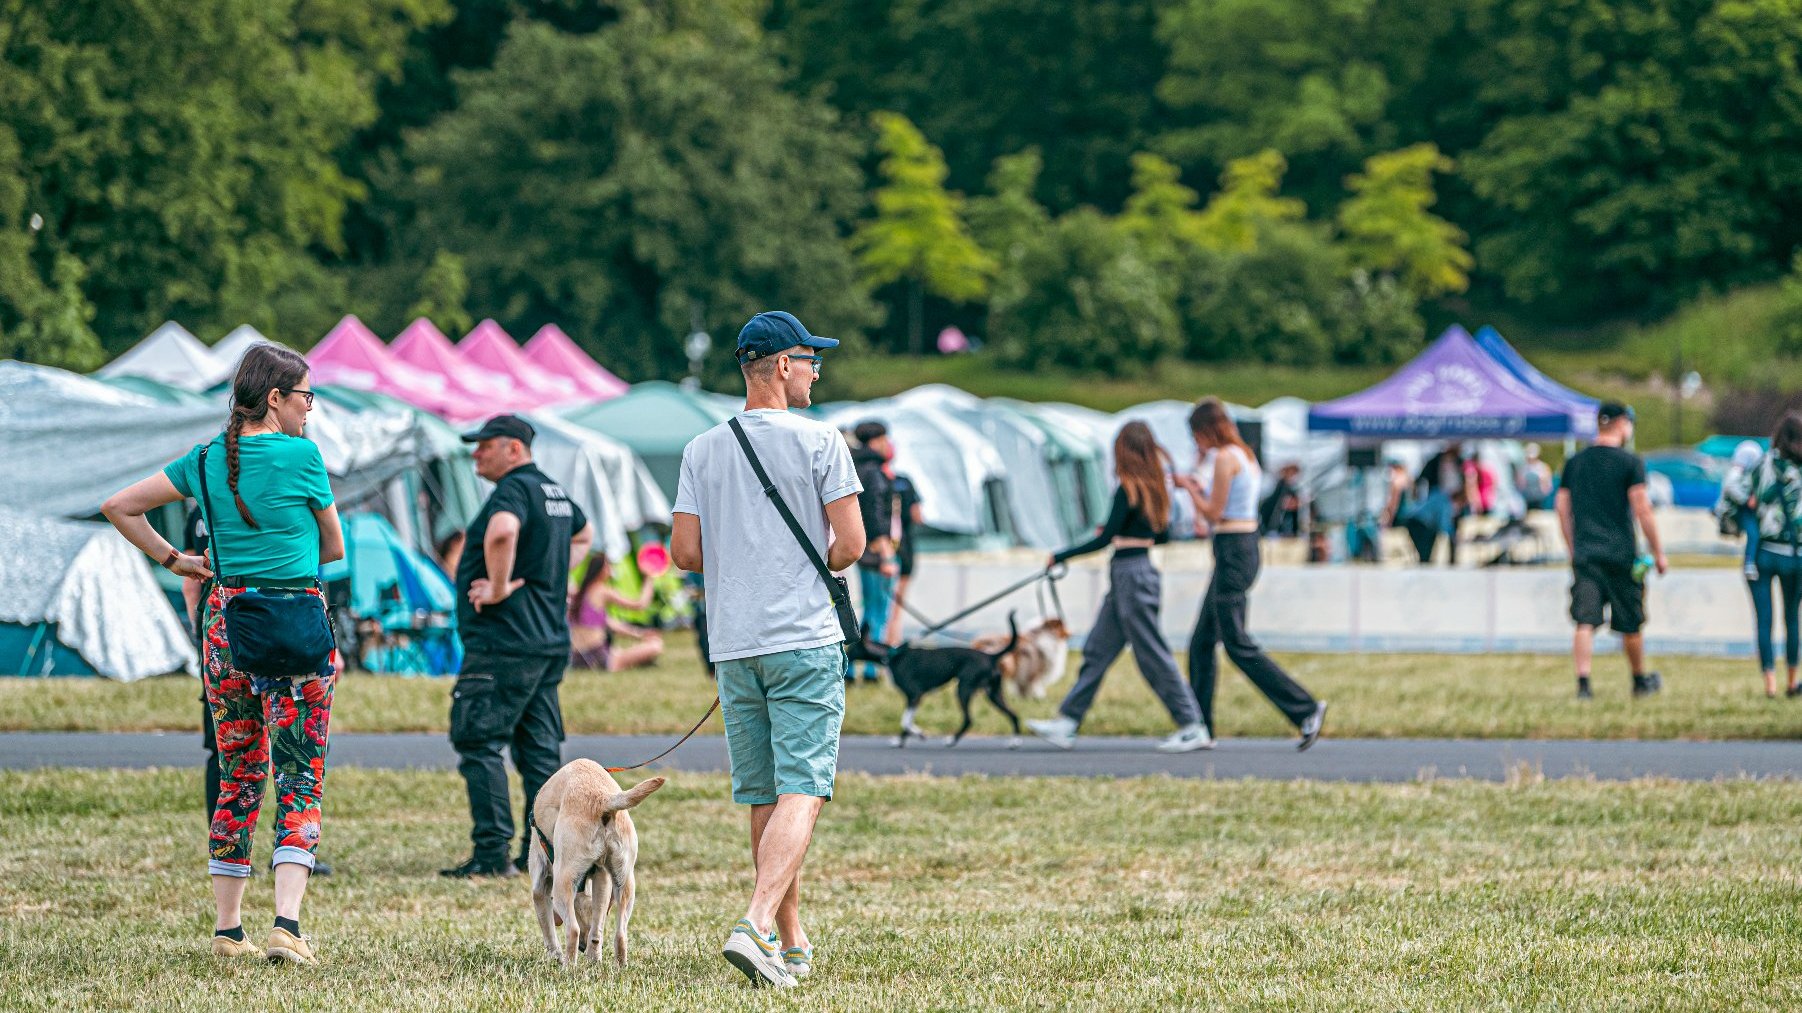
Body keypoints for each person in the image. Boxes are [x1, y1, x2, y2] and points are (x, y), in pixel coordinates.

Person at [101, 344, 344, 963]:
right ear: (276, 398)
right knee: (300, 774)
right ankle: (286, 926)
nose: (311, 410)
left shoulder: (205, 458)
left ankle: (228, 930)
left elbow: (119, 506)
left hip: (225, 627)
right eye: (307, 397)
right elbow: (334, 546)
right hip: (294, 623)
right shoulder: (303, 455)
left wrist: (176, 560)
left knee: (238, 772)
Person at [669, 310, 865, 988]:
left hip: (734, 643)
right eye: (812, 358)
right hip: (804, 637)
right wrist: (814, 562)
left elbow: (685, 551)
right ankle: (755, 922)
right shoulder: (821, 440)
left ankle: (789, 941)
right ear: (784, 365)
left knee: (763, 792)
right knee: (805, 786)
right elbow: (853, 543)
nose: (817, 370)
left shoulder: (702, 447)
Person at [440, 415, 594, 878]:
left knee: (479, 740)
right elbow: (584, 534)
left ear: (512, 448)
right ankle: (541, 853)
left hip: (503, 642)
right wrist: (556, 576)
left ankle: (491, 855)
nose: (475, 454)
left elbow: (503, 531)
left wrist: (501, 586)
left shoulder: (512, 490)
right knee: (539, 751)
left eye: (484, 445)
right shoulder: (554, 492)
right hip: (546, 642)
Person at [1026, 421, 1211, 754]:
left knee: (1152, 654)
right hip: (1136, 572)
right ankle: (1068, 721)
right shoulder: (1155, 488)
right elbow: (1162, 535)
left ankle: (1192, 724)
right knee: (1098, 649)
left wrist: (1061, 555)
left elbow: (1104, 537)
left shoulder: (1127, 488)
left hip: (1130, 575)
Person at [1177, 398, 1328, 751]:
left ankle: (1304, 707)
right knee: (1201, 643)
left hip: (1233, 549)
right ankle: (1200, 726)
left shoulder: (1225, 457)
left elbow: (1214, 513)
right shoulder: (1244, 455)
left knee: (1237, 644)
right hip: (1240, 547)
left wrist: (1190, 491)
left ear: (1205, 430)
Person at [1556, 402, 1666, 700]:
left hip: (1586, 554)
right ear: (1622, 423)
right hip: (1621, 554)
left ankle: (1583, 685)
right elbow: (1642, 508)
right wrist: (1658, 551)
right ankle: (1639, 680)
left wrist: (1572, 546)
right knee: (1631, 621)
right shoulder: (1630, 462)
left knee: (1585, 619)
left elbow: (1562, 508)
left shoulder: (1575, 462)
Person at [1741, 421, 1802, 698]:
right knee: (1792, 618)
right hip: (1795, 554)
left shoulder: (1762, 464)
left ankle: (1769, 684)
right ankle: (1792, 682)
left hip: (1763, 552)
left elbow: (1742, 496)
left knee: (1764, 621)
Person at [850, 421, 898, 683]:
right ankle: (871, 667)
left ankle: (852, 666)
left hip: (863, 549)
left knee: (868, 608)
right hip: (877, 551)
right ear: (876, 441)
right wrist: (886, 552)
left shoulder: (856, 467)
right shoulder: (874, 470)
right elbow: (876, 512)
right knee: (877, 611)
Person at [569, 552, 665, 672]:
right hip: (600, 659)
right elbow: (640, 604)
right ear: (602, 570)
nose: (611, 570)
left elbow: (612, 623)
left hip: (577, 660)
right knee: (656, 645)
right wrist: (649, 576)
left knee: (618, 650)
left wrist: (640, 634)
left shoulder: (580, 594)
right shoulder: (602, 590)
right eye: (609, 566)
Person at [1716, 439, 1765, 583]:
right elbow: (1731, 489)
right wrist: (1746, 500)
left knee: (1757, 535)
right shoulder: (1736, 472)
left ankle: (1754, 560)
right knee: (1753, 534)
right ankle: (1749, 562)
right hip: (1740, 510)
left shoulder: (1747, 473)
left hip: (1744, 509)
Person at [885, 472, 923, 643]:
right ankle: (892, 643)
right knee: (895, 606)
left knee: (879, 605)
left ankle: (881, 646)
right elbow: (918, 516)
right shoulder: (904, 481)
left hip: (879, 549)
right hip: (904, 547)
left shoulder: (869, 476)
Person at [1258, 462, 1305, 538]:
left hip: (1284, 528)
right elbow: (1270, 505)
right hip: (1272, 527)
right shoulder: (1280, 487)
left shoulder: (1291, 489)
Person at [1519, 443, 1554, 513]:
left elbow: (1548, 486)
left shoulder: (1543, 467)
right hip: (1526, 500)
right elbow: (1519, 484)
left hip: (1541, 501)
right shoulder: (1523, 468)